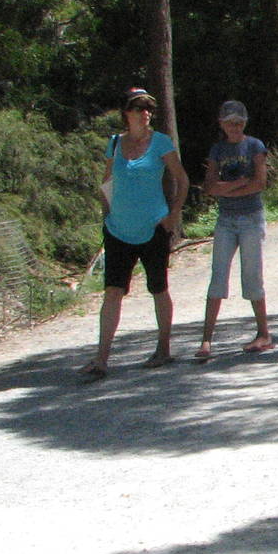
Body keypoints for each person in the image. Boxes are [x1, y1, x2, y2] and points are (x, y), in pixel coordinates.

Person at [80, 87, 190, 377]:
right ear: (126, 112)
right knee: (113, 291)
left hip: (153, 227)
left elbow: (181, 179)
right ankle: (101, 358)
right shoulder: (115, 143)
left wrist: (173, 214)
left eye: (149, 108)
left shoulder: (161, 142)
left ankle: (163, 349)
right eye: (139, 107)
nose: (145, 113)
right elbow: (107, 180)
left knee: (158, 287)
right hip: (118, 229)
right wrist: (106, 214)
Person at [196, 100, 274, 361]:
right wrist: (239, 183)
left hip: (251, 217)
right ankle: (206, 339)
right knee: (218, 276)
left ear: (245, 123)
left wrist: (226, 188)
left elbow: (260, 183)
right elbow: (209, 187)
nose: (234, 126)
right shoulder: (217, 149)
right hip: (226, 220)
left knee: (252, 275)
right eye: (230, 122)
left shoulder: (254, 145)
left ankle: (263, 333)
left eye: (239, 122)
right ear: (221, 124)